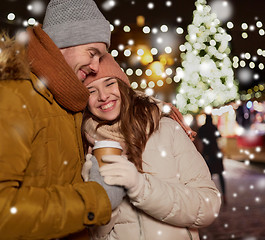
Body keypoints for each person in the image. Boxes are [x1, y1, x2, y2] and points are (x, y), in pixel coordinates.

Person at [0, 0, 126, 239]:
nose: (95, 67)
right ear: (64, 41)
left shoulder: (63, 98)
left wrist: (153, 111)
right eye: (92, 54)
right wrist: (96, 198)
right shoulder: (3, 96)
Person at [81, 54, 221, 240]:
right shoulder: (87, 146)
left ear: (123, 86)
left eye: (109, 83)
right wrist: (100, 197)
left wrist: (140, 186)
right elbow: (96, 235)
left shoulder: (167, 130)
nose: (103, 96)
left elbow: (209, 207)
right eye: (91, 91)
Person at [197, 114, 227, 204]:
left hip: (207, 154)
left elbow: (199, 139)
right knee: (220, 174)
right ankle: (224, 195)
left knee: (208, 177)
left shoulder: (202, 128)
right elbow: (219, 136)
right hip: (215, 152)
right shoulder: (214, 127)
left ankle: (210, 197)